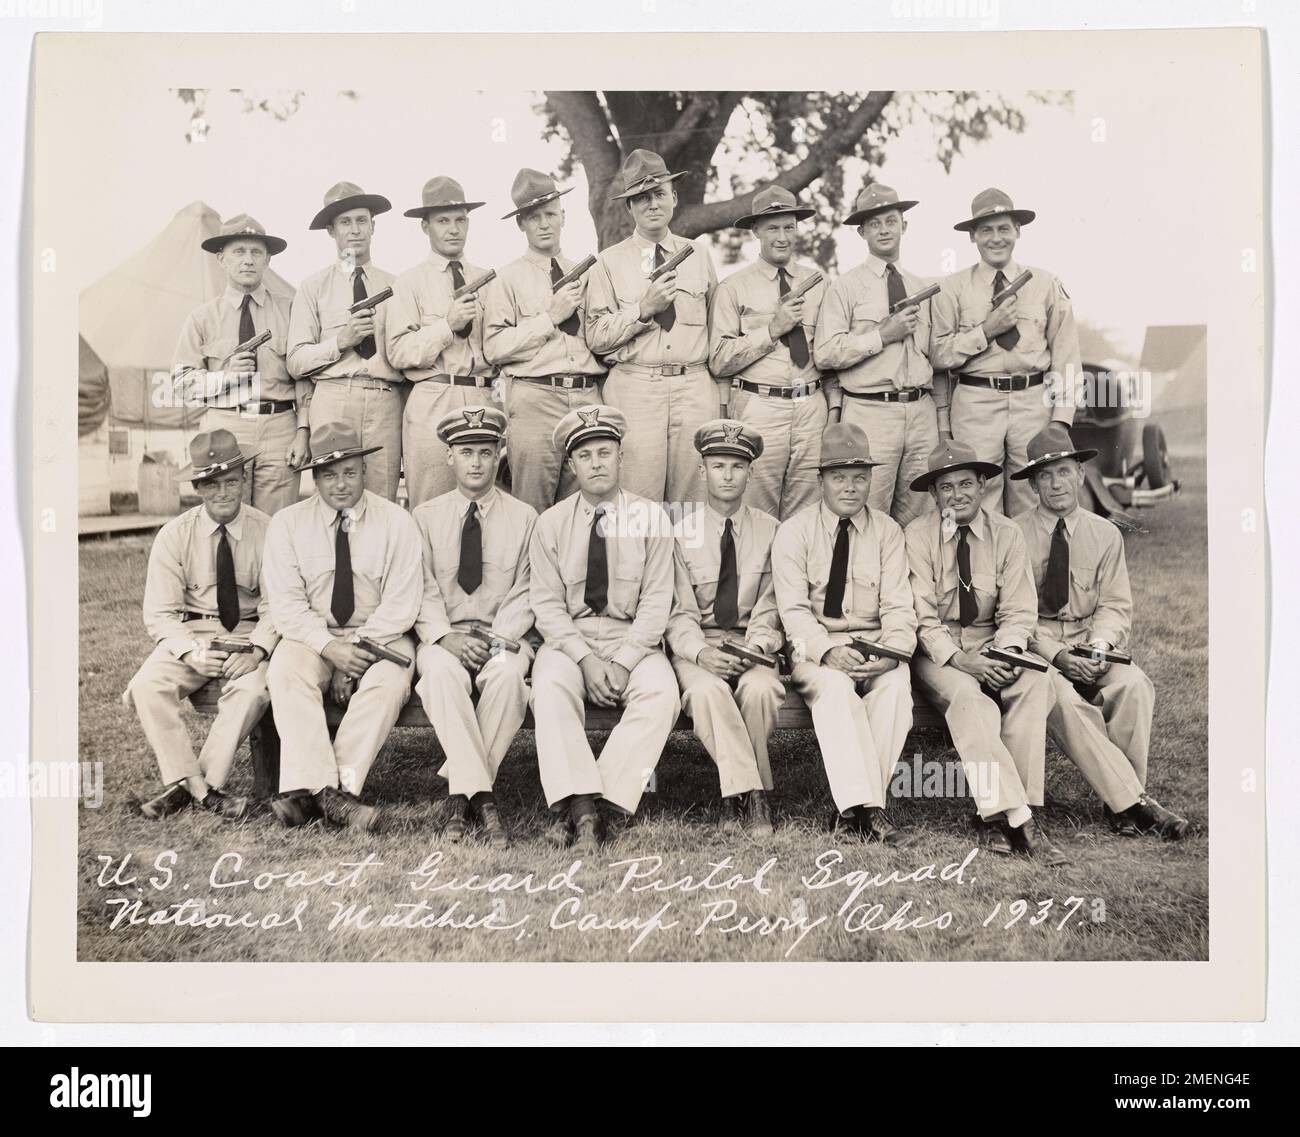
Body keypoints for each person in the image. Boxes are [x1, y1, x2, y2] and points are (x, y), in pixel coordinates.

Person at [1012, 424, 1188, 838]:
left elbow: (1114, 605)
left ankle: (1121, 807)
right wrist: (1058, 655)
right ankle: (1134, 803)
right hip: (1037, 647)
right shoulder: (1013, 534)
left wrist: (1098, 647)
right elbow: (1014, 615)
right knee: (1062, 699)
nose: (1056, 484)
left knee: (1134, 685)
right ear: (1033, 485)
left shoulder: (1105, 534)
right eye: (1045, 476)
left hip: (1088, 641)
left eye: (1064, 472)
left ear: (1081, 475)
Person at [904, 438, 1066, 863]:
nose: (956, 495)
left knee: (1034, 680)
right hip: (938, 652)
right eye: (946, 487)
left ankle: (1003, 814)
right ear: (935, 495)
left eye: (965, 484)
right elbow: (920, 617)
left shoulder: (1007, 535)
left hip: (991, 643)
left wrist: (1005, 652)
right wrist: (961, 661)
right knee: (968, 698)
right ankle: (1019, 820)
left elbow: (1018, 612)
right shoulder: (916, 537)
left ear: (982, 486)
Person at [528, 404, 680, 852]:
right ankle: (582, 810)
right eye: (586, 456)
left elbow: (656, 602)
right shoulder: (550, 523)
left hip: (631, 638)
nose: (597, 463)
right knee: (550, 686)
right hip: (570, 640)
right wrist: (587, 660)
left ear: (620, 458)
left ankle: (598, 800)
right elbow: (547, 605)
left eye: (605, 452)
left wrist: (624, 660)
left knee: (661, 694)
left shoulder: (651, 518)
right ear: (571, 465)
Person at [262, 423, 422, 831]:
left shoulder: (396, 522)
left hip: (381, 634)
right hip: (315, 635)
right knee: (285, 669)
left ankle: (323, 792)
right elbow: (286, 605)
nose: (341, 484)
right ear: (314, 478)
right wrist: (330, 648)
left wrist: (355, 655)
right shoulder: (287, 524)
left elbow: (402, 602)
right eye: (329, 475)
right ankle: (334, 797)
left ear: (365, 472)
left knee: (389, 680)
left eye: (350, 472)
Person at [770, 422, 917, 843]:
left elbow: (899, 605)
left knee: (894, 694)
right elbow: (793, 612)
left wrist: (892, 652)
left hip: (876, 644)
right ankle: (869, 809)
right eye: (839, 477)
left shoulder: (887, 531)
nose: (850, 488)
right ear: (821, 481)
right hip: (816, 647)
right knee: (835, 692)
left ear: (871, 479)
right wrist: (825, 651)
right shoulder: (794, 532)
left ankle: (856, 813)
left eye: (859, 477)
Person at [125, 430, 277, 820]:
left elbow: (281, 604)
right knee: (147, 685)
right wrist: (192, 652)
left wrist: (259, 649)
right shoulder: (174, 536)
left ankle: (193, 786)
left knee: (254, 691)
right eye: (212, 484)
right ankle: (201, 790)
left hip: (247, 634)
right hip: (193, 634)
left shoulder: (269, 531)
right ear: (197, 487)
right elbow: (160, 613)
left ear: (244, 479)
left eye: (231, 481)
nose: (223, 492)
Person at [411, 407, 538, 849]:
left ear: (500, 454)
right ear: (449, 458)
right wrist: (446, 637)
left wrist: (496, 640)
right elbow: (421, 588)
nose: (477, 463)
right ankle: (482, 798)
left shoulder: (524, 518)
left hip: (501, 634)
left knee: (507, 677)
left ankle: (459, 798)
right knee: (440, 676)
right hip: (444, 634)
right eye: (466, 453)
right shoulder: (425, 517)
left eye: (486, 452)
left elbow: (527, 589)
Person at [930, 188, 1082, 516]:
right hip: (976, 403)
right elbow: (939, 356)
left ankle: (1027, 569)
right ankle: (985, 568)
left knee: (1033, 497)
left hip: (1033, 402)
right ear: (972, 236)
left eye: (1003, 229)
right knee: (977, 499)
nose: (995, 238)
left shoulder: (1045, 284)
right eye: (986, 230)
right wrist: (986, 331)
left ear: (1017, 231)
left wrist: (1062, 420)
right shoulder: (952, 288)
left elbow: (1067, 357)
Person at [667, 420, 785, 834]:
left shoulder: (773, 533)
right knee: (705, 690)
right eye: (718, 466)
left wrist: (756, 648)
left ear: (751, 472)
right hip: (702, 645)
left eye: (737, 466)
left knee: (761, 689)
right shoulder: (679, 535)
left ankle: (733, 797)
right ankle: (751, 795)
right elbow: (679, 613)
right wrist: (702, 654)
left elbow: (772, 607)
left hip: (753, 644)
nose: (728, 475)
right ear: (702, 471)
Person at [585, 149, 720, 504]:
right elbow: (596, 337)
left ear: (674, 198)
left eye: (659, 194)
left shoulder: (699, 255)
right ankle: (640, 562)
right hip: (637, 388)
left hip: (694, 386)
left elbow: (716, 327)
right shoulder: (608, 263)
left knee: (692, 502)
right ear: (629, 208)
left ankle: (685, 563)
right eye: (641, 198)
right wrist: (642, 311)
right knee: (636, 500)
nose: (652, 204)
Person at [813, 184, 939, 526]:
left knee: (920, 514)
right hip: (870, 411)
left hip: (920, 412)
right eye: (875, 224)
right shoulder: (845, 287)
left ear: (904, 226)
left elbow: (936, 355)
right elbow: (825, 353)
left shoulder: (921, 287)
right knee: (868, 514)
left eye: (891, 221)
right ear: (862, 231)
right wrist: (881, 336)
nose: (884, 230)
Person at [482, 168, 605, 515]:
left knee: (584, 508)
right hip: (536, 397)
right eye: (534, 218)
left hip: (585, 396)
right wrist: (548, 318)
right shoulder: (508, 279)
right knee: (531, 509)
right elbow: (494, 346)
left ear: (563, 216)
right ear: (521, 224)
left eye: (551, 214)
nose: (544, 224)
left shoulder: (587, 272)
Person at [172, 214, 310, 514]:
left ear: (268, 259)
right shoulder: (202, 318)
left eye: (256, 252)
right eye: (239, 252)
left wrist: (303, 432)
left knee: (277, 526)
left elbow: (305, 377)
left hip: (280, 427)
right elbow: (180, 383)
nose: (248, 260)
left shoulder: (292, 309)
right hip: (225, 426)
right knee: (228, 520)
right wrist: (224, 376)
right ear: (221, 259)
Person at [708, 185, 829, 520]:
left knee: (807, 515)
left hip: (810, 407)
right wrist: (772, 330)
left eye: (789, 227)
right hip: (760, 408)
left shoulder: (819, 283)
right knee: (757, 513)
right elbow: (719, 360)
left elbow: (830, 354)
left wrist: (832, 410)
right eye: (772, 228)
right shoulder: (734, 287)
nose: (782, 237)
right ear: (756, 231)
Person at [287, 181, 404, 501]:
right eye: (345, 222)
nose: (355, 230)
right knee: (334, 498)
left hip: (384, 399)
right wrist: (340, 341)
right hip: (334, 397)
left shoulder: (396, 285)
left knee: (383, 499)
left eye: (362, 220)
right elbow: (295, 361)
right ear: (331, 230)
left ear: (373, 226)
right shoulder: (313, 288)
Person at [387, 176, 497, 507]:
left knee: (483, 502)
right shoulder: (409, 283)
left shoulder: (489, 279)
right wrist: (447, 325)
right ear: (425, 227)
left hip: (483, 394)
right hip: (434, 397)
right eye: (443, 221)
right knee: (430, 503)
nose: (453, 229)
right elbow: (399, 352)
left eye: (461, 220)